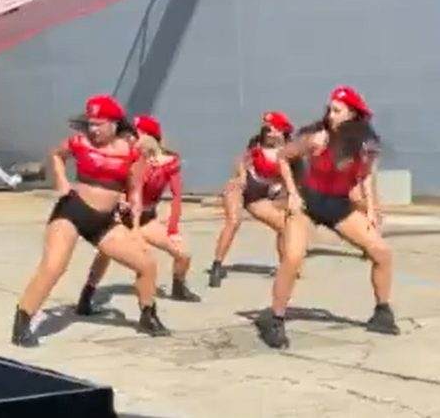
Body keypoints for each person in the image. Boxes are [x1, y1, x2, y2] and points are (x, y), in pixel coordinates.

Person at [12, 95, 170, 347]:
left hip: (104, 221)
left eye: (100, 124)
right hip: (72, 212)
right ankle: (22, 321)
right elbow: (55, 155)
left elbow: (135, 187)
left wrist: (133, 216)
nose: (94, 129)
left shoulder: (131, 151)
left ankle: (148, 315)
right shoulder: (78, 142)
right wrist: (61, 182)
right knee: (54, 266)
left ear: (115, 124)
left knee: (146, 264)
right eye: (91, 123)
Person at [256, 85, 399, 348]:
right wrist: (293, 193)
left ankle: (382, 312)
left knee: (381, 252)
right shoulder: (316, 137)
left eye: (337, 110)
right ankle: (274, 320)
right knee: (293, 257)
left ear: (352, 115)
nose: (330, 114)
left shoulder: (366, 144)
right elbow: (283, 158)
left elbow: (366, 176)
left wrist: (370, 209)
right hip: (308, 203)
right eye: (330, 109)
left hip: (339, 205)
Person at [76, 115, 201, 314]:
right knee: (108, 255)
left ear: (150, 137)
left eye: (138, 133)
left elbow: (177, 195)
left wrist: (173, 227)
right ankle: (87, 297)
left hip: (147, 218)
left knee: (183, 254)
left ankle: (179, 287)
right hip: (123, 218)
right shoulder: (128, 157)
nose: (131, 137)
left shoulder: (169, 162)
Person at [209, 111, 294, 288]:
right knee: (234, 221)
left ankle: (285, 265)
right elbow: (241, 160)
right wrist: (240, 176)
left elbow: (290, 177)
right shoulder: (256, 144)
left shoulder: (290, 152)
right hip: (242, 187)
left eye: (272, 130)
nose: (269, 133)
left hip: (259, 196)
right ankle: (217, 265)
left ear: (282, 132)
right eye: (266, 129)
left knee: (284, 226)